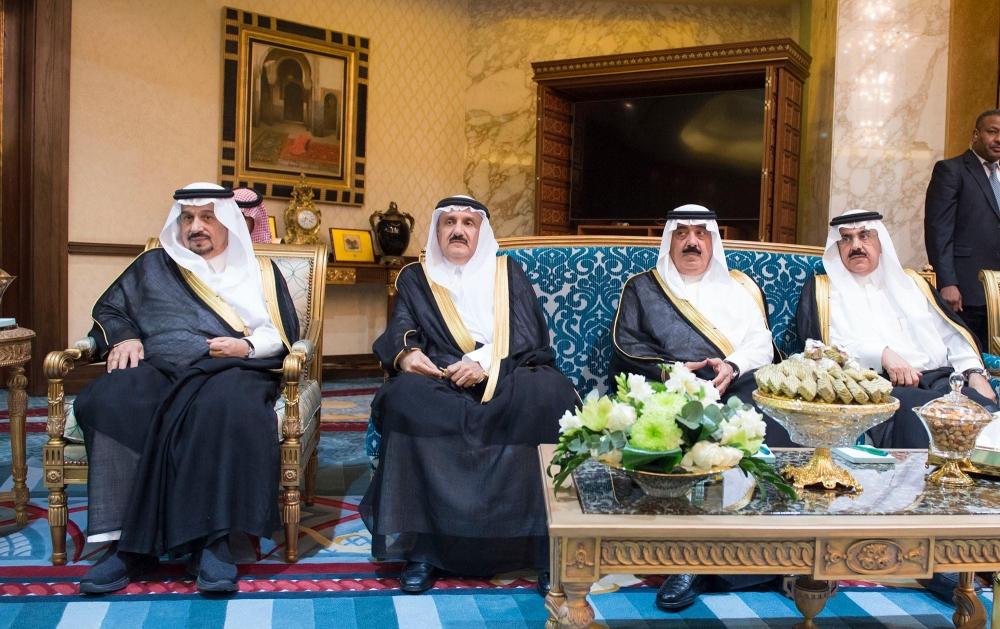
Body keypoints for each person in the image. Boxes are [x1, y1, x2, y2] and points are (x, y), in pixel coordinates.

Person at [75, 183, 298, 595]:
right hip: (159, 366)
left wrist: (247, 347)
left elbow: (281, 331)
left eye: (207, 217)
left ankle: (213, 541)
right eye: (188, 218)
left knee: (226, 406)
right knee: (110, 399)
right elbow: (111, 309)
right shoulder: (153, 265)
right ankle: (126, 545)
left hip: (229, 368)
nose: (196, 227)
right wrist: (125, 336)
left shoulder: (259, 271)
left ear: (227, 221)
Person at [359, 195, 578, 595]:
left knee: (549, 393)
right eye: (449, 222)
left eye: (468, 223)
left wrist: (483, 363)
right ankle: (424, 549)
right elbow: (401, 327)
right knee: (405, 397)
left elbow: (529, 334)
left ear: (481, 232)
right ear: (437, 229)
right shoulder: (416, 277)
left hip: (508, 370)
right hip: (442, 376)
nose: (458, 230)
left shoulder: (507, 272)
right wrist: (407, 355)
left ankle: (542, 547)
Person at [609, 204, 792, 612]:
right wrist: (674, 372)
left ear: (713, 240)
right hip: (670, 385)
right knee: (678, 425)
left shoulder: (741, 287)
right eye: (682, 233)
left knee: (765, 424)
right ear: (669, 240)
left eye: (700, 233)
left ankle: (767, 558)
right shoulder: (643, 287)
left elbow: (761, 343)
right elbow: (627, 346)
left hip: (736, 381)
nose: (691, 242)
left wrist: (732, 365)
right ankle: (686, 560)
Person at [798, 209, 996, 450]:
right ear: (837, 247)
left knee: (979, 409)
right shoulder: (824, 291)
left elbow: (953, 336)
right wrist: (882, 354)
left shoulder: (913, 284)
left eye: (864, 235)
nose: (856, 245)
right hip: (881, 387)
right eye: (846, 239)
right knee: (917, 418)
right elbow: (821, 349)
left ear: (880, 241)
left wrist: (974, 373)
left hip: (939, 380)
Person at [924, 109, 1000, 350]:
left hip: (998, 290)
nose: (998, 139)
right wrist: (947, 282)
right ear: (976, 134)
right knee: (971, 356)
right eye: (993, 132)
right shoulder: (951, 170)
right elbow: (938, 230)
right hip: (967, 290)